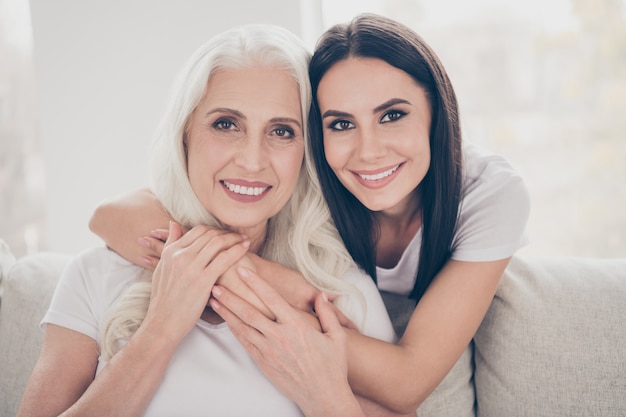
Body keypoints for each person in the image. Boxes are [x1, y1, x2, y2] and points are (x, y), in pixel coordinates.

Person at [90, 13, 530, 414]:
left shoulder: (487, 193)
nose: (369, 150)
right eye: (340, 123)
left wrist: (260, 282)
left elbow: (406, 381)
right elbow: (112, 216)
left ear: (437, 111)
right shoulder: (309, 188)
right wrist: (282, 285)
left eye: (392, 115)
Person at [17, 24, 400, 417]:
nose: (252, 160)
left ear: (308, 153)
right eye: (226, 124)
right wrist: (161, 331)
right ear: (184, 133)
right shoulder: (94, 277)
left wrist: (325, 398)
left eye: (282, 131)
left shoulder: (344, 296)